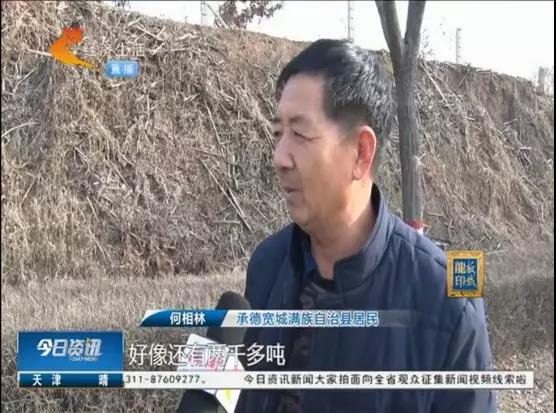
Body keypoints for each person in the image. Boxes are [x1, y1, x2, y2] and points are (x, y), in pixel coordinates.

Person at [236, 39, 496, 413]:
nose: (279, 157)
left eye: (300, 134)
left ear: (361, 152)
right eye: (278, 133)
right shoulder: (268, 263)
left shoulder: (447, 299)